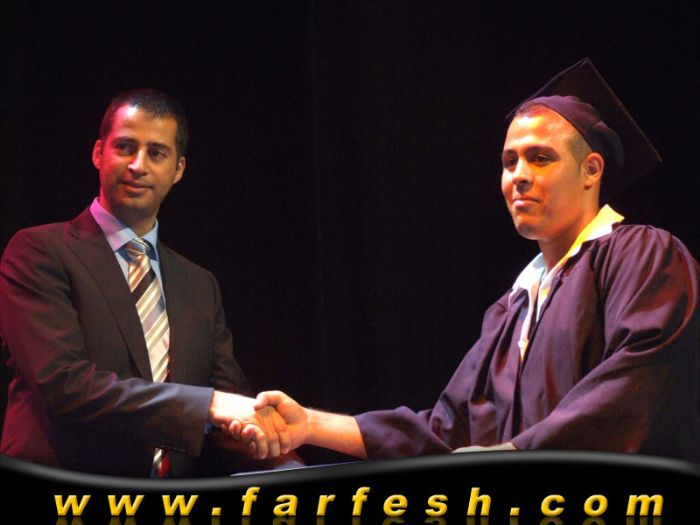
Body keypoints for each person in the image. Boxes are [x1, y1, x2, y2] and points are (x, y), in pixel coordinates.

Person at [239, 58, 700, 462]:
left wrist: (514, 455)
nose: (519, 176)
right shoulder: (512, 308)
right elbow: (448, 432)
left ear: (591, 170)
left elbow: (641, 384)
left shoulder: (642, 255)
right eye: (509, 161)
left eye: (540, 158)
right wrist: (310, 425)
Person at [0, 88, 295, 477]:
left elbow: (232, 407)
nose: (138, 165)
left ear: (178, 169)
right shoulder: (39, 252)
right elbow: (63, 385)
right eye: (125, 147)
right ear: (98, 153)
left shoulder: (199, 285)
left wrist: (282, 459)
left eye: (156, 153)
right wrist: (208, 405)